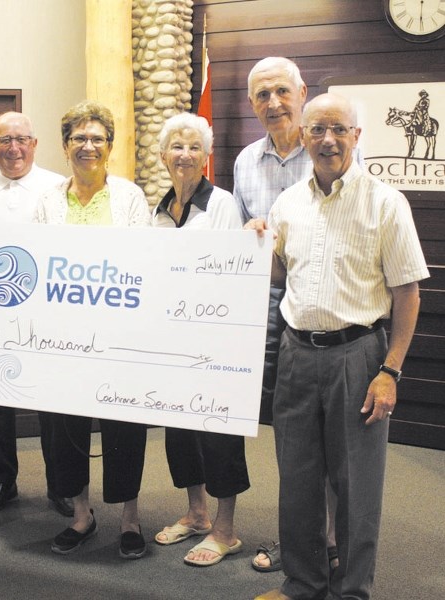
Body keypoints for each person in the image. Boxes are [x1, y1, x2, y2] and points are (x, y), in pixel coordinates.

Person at [249, 93, 429, 600]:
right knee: (298, 479)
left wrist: (389, 372)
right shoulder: (288, 203)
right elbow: (280, 273)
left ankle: (352, 591)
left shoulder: (386, 203)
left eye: (338, 129)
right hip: (296, 354)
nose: (327, 139)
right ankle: (303, 584)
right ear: (303, 137)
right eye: (317, 130)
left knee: (357, 488)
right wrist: (257, 240)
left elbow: (407, 292)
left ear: (355, 136)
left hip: (359, 357)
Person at [234, 56, 338, 574]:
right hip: (266, 322)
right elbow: (238, 245)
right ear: (252, 105)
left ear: (301, 92)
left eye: (281, 92)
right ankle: (299, 539)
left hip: (321, 320)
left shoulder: (329, 150)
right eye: (261, 96)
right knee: (290, 436)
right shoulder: (244, 162)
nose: (273, 103)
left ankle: (330, 539)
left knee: (327, 436)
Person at [35, 100, 151, 559]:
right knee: (66, 428)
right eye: (78, 138)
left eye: (97, 138)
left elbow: (141, 262)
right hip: (63, 337)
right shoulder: (47, 200)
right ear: (66, 147)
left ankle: (130, 517)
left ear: (110, 146)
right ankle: (81, 515)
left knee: (124, 426)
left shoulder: (129, 197)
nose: (88, 146)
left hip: (119, 335)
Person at [0, 111, 72, 517]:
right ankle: (2, 481)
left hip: (45, 315)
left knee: (53, 404)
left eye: (22, 139)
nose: (14, 148)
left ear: (35, 143)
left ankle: (61, 486)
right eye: (4, 140)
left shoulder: (57, 188)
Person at [151, 113, 249, 567]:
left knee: (219, 435)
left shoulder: (223, 205)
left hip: (217, 343)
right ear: (163, 155)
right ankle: (197, 514)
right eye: (176, 146)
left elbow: (231, 273)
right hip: (172, 341)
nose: (184, 154)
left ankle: (226, 530)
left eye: (193, 147)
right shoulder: (158, 211)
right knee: (181, 434)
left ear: (206, 155)